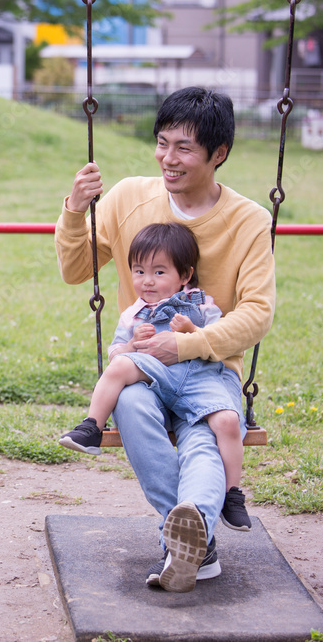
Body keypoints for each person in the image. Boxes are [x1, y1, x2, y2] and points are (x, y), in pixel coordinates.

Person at [54, 87, 275, 592]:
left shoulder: (248, 221)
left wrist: (189, 345)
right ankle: (197, 541)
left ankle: (187, 537)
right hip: (146, 370)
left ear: (218, 154)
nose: (167, 159)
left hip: (210, 371)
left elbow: (257, 313)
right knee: (130, 404)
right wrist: (74, 210)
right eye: (161, 143)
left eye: (183, 148)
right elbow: (75, 270)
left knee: (203, 438)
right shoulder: (131, 196)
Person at [58, 221, 251, 533]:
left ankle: (232, 495)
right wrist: (134, 343)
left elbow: (214, 340)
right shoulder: (133, 314)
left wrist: (191, 332)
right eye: (139, 271)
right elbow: (117, 352)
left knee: (228, 421)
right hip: (157, 374)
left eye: (159, 272)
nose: (147, 281)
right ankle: (91, 426)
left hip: (198, 375)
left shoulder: (201, 303)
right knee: (119, 367)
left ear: (184, 275)